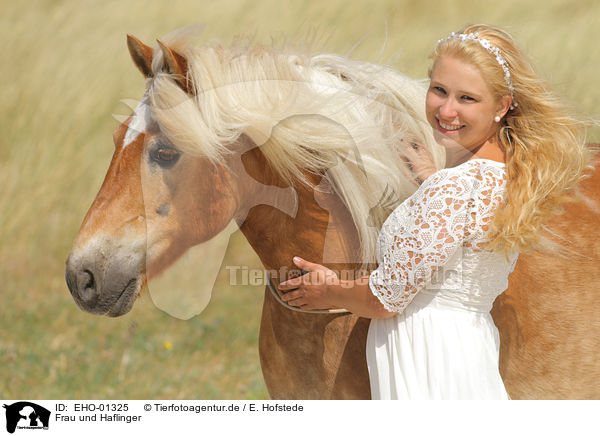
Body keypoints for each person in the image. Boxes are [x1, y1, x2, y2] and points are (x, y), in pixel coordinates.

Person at [277, 24, 591, 399]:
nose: (446, 110)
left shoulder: (453, 188)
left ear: (502, 106)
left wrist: (329, 291)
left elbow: (384, 300)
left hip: (427, 355)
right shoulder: (501, 177)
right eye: (439, 90)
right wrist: (433, 180)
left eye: (467, 99)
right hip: (464, 346)